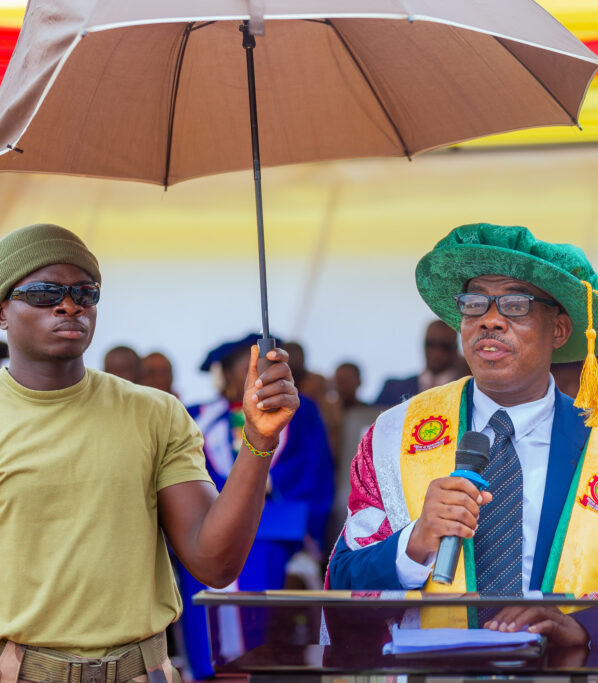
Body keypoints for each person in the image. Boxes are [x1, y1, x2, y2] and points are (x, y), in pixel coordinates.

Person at [326, 223, 598, 656]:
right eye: (474, 303)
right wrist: (414, 542)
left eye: (515, 305)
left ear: (559, 331)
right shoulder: (394, 439)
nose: (489, 319)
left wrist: (584, 628)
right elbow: (342, 589)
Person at [0, 223, 299, 681]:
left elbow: (214, 562)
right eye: (43, 292)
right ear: (2, 310)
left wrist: (258, 443)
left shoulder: (155, 413)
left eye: (85, 292)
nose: (68, 305)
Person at [178, 333, 335, 678]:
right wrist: (226, 495)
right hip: (208, 522)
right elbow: (184, 475)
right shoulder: (197, 416)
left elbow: (314, 468)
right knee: (199, 566)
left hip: (273, 526)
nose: (256, 375)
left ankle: (258, 669)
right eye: (245, 368)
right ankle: (208, 671)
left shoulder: (301, 411)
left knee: (261, 561)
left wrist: (268, 480)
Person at [374, 319, 463, 406]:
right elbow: (367, 417)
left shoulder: (465, 390)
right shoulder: (393, 389)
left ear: (455, 349)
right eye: (430, 344)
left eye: (444, 346)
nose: (436, 352)